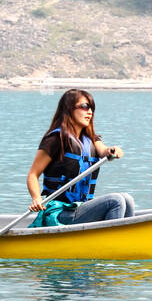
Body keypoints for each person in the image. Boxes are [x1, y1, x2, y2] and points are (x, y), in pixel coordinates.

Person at [26, 89, 135, 224]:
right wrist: (36, 198)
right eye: (84, 107)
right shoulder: (56, 139)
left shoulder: (92, 139)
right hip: (59, 212)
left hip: (80, 208)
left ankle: (122, 240)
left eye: (92, 108)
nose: (90, 112)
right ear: (69, 109)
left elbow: (104, 150)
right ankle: (110, 242)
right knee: (115, 201)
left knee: (127, 199)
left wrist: (113, 150)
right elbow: (33, 174)